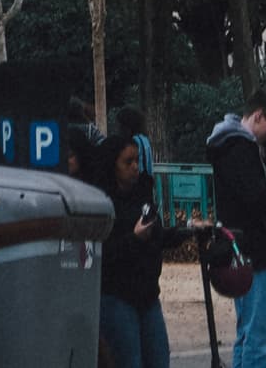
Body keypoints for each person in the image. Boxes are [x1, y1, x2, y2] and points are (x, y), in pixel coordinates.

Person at [212, 70, 266, 368]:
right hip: (255, 252)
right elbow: (256, 201)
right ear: (258, 117)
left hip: (238, 249)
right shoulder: (243, 150)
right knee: (261, 336)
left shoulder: (224, 145)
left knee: (247, 332)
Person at [102, 127, 169, 368]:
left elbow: (157, 235)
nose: (134, 168)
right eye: (127, 162)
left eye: (137, 160)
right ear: (113, 165)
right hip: (118, 294)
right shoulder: (104, 202)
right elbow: (103, 253)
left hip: (148, 292)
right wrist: (134, 238)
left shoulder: (142, 191)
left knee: (159, 358)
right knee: (129, 360)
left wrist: (183, 234)